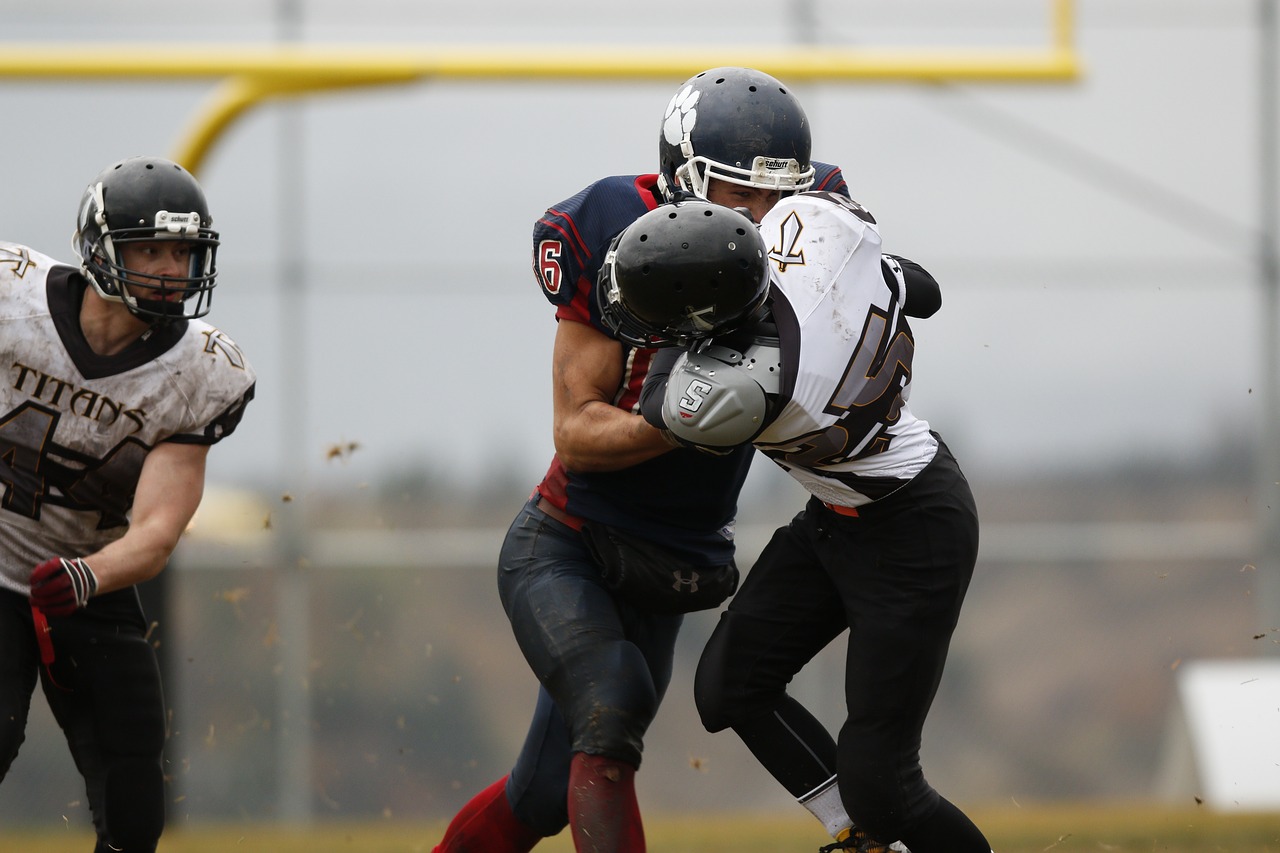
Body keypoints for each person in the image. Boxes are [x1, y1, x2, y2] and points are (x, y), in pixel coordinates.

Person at [431, 67, 856, 853]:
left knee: (539, 797)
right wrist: (686, 419)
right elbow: (575, 431)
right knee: (612, 705)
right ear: (686, 183)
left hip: (670, 565)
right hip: (570, 544)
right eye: (740, 197)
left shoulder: (810, 221)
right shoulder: (612, 231)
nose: (764, 220)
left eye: (777, 198)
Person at [614, 195, 991, 853]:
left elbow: (660, 402)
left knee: (885, 786)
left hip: (912, 530)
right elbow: (918, 288)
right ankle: (861, 839)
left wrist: (678, 329)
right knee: (729, 688)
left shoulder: (754, 384)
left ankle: (877, 828)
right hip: (842, 511)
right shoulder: (808, 239)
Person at [0, 156, 256, 852]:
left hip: (87, 576)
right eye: (150, 248)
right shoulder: (11, 297)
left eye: (183, 251)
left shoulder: (200, 373)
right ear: (99, 247)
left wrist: (86, 576)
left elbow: (156, 531)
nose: (171, 268)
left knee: (135, 789)